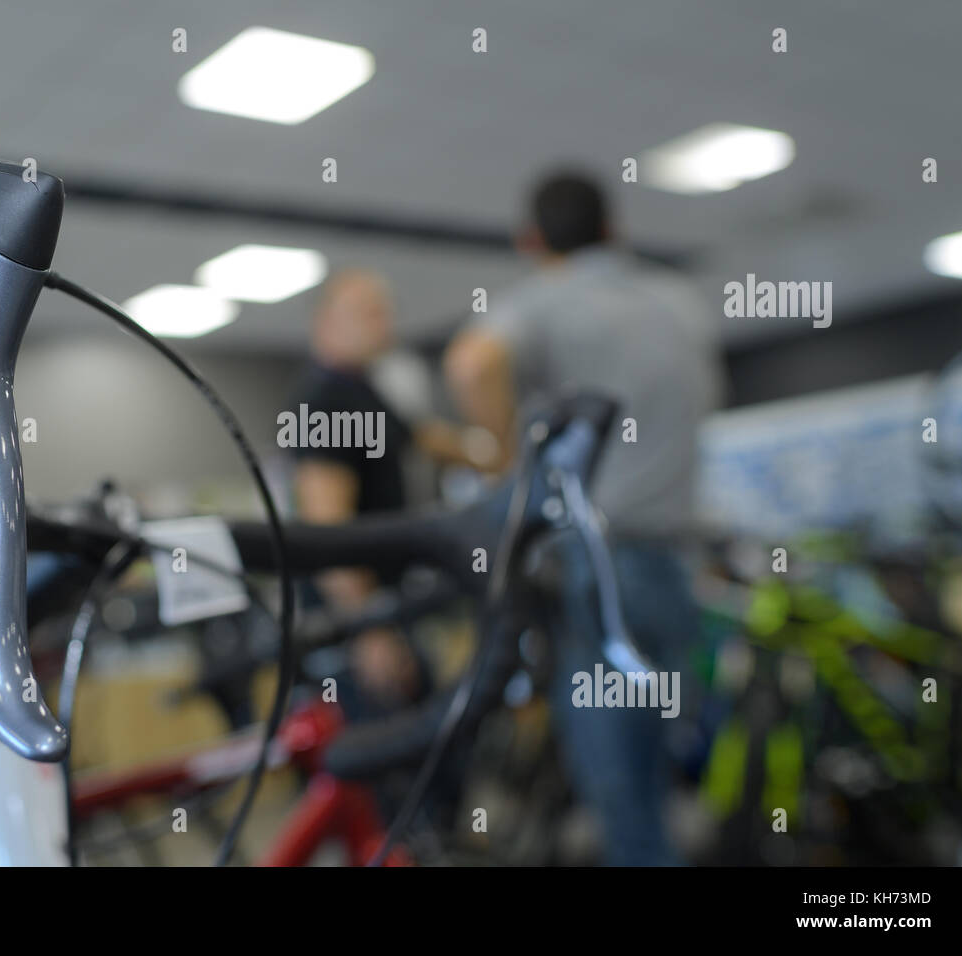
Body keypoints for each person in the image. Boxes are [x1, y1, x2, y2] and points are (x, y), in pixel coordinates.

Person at [443, 169, 724, 865]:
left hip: (602, 571)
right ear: (615, 228)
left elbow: (472, 363)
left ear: (532, 241)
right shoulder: (679, 301)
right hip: (676, 568)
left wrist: (507, 460)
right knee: (660, 777)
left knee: (618, 794)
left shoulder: (548, 299)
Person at [287, 270, 425, 712]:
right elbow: (327, 526)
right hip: (355, 626)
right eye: (367, 312)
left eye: (385, 311)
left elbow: (420, 436)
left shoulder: (364, 392)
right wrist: (370, 629)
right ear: (325, 323)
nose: (383, 322)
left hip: (387, 607)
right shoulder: (327, 398)